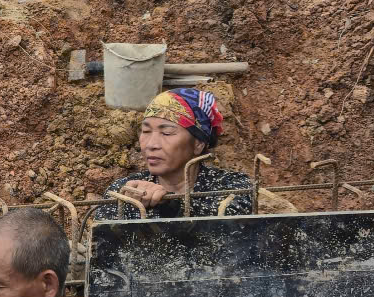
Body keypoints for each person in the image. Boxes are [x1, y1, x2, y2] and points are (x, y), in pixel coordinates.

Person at [92, 87, 256, 221]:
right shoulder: (127, 190)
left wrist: (169, 204)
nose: (151, 144)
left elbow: (228, 231)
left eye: (167, 133)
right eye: (146, 131)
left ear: (198, 144)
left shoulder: (232, 186)